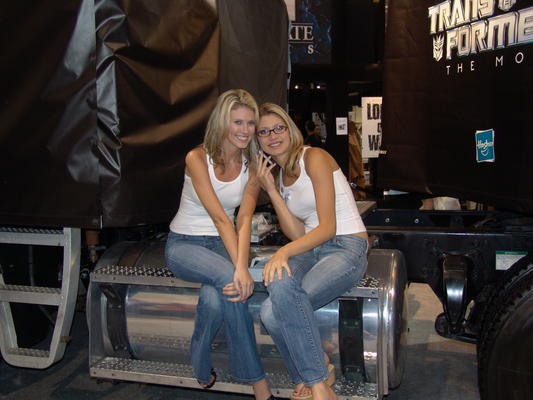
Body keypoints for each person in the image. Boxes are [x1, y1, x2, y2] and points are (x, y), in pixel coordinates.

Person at [164, 89, 276, 400]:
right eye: (237, 122)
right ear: (221, 123)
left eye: (250, 123)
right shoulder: (197, 157)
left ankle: (200, 363)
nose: (245, 130)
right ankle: (258, 383)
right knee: (233, 281)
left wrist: (241, 263)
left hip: (221, 245)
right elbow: (219, 218)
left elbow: (244, 218)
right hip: (184, 244)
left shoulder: (252, 163)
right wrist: (239, 270)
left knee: (216, 299)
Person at [255, 103, 369, 400]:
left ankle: (312, 381)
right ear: (258, 140)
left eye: (278, 128)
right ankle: (318, 376)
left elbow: (328, 227)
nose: (272, 136)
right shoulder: (281, 176)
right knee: (273, 297)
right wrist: (271, 189)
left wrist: (283, 253)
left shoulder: (314, 157)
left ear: (290, 129)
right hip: (311, 249)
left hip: (345, 245)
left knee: (272, 313)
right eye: (264, 132)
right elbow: (297, 233)